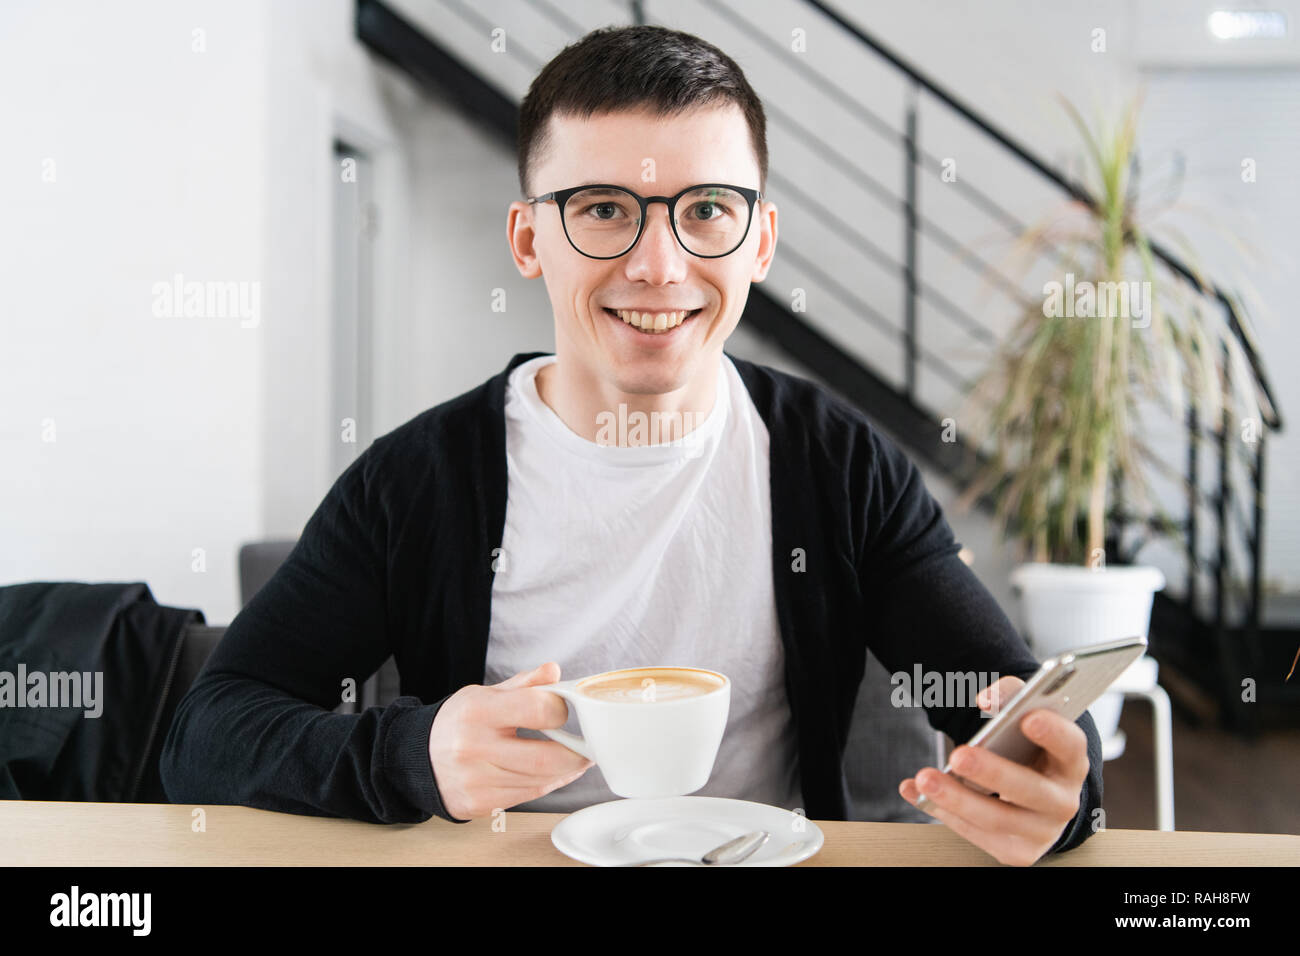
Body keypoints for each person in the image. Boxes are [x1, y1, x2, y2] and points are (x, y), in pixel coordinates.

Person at [161, 24, 1101, 867]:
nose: (659, 264)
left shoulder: (839, 465)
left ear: (760, 240)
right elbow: (209, 734)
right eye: (604, 208)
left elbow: (1013, 708)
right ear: (530, 240)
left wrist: (1064, 789)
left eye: (706, 210)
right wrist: (415, 754)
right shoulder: (417, 481)